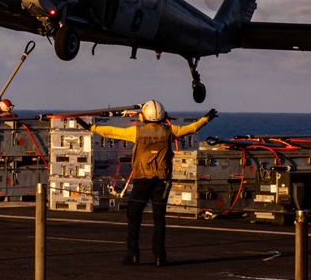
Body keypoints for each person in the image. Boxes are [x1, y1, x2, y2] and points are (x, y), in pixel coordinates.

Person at [77, 101, 217, 266]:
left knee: (134, 215)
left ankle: (133, 254)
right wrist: (206, 118)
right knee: (159, 218)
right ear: (163, 116)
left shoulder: (137, 132)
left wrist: (91, 128)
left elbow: (112, 132)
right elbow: (192, 128)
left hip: (142, 179)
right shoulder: (169, 131)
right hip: (162, 180)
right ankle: (159, 257)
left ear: (144, 115)